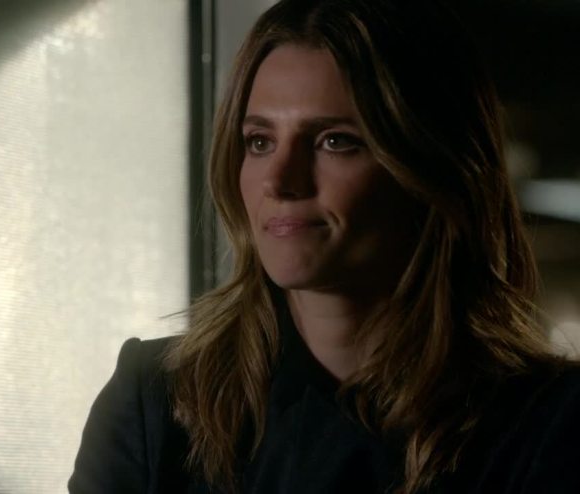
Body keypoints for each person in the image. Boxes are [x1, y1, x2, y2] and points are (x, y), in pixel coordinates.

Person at [69, 0, 580, 492]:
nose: (280, 180)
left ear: (428, 167)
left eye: (335, 141)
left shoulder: (547, 424)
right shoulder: (157, 404)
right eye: (260, 141)